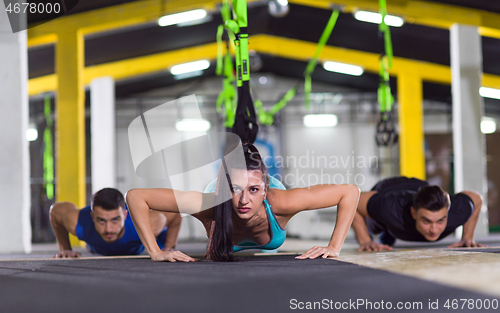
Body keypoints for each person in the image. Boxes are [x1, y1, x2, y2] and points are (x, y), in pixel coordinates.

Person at [126, 142, 360, 262]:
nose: (244, 200)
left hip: (267, 197)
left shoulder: (282, 203)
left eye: (254, 190)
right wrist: (155, 252)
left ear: (265, 190)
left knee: (249, 186)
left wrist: (334, 246)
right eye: (235, 190)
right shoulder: (209, 205)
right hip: (217, 199)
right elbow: (136, 197)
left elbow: (349, 192)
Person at [351, 176, 487, 251]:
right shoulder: (388, 207)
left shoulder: (458, 211)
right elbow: (353, 201)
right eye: (426, 221)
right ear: (414, 213)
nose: (434, 230)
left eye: (440, 221)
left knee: (391, 226)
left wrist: (467, 238)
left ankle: (390, 231)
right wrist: (365, 241)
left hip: (420, 186)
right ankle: (387, 230)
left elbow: (476, 198)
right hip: (388, 189)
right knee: (374, 227)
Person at [49, 188, 182, 257]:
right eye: (101, 220)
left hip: (137, 247)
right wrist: (65, 249)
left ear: (124, 215)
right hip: (96, 248)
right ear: (92, 217)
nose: (109, 229)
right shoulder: (79, 224)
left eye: (115, 220)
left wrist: (169, 247)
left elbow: (175, 214)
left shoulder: (148, 223)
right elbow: (55, 211)